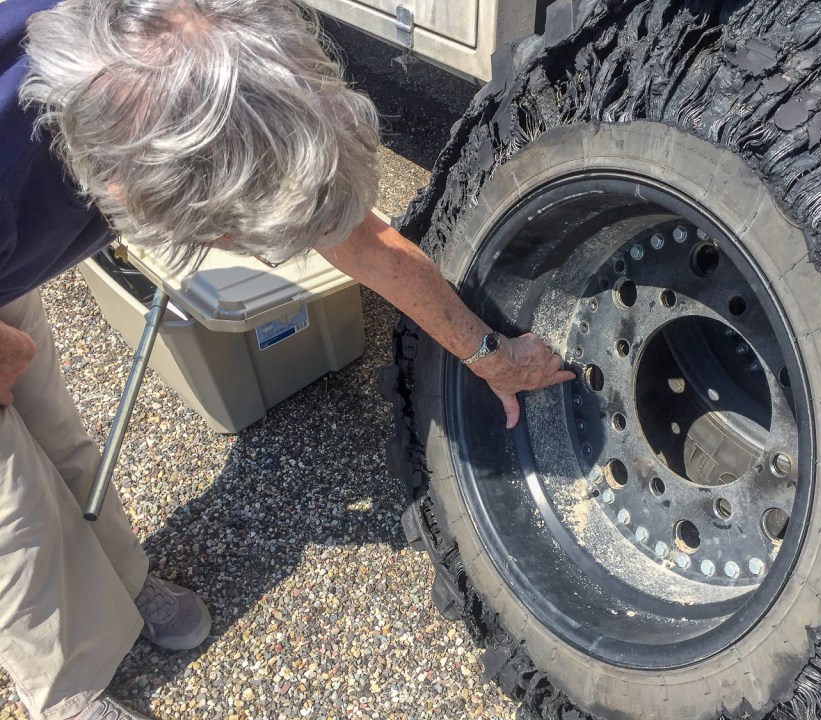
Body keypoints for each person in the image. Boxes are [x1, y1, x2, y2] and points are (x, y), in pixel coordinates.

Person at [3, 0, 575, 718]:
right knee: (14, 506)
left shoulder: (174, 53)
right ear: (131, 194)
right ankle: (64, 688)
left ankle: (121, 581)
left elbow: (357, 241)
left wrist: (486, 353)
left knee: (58, 436)